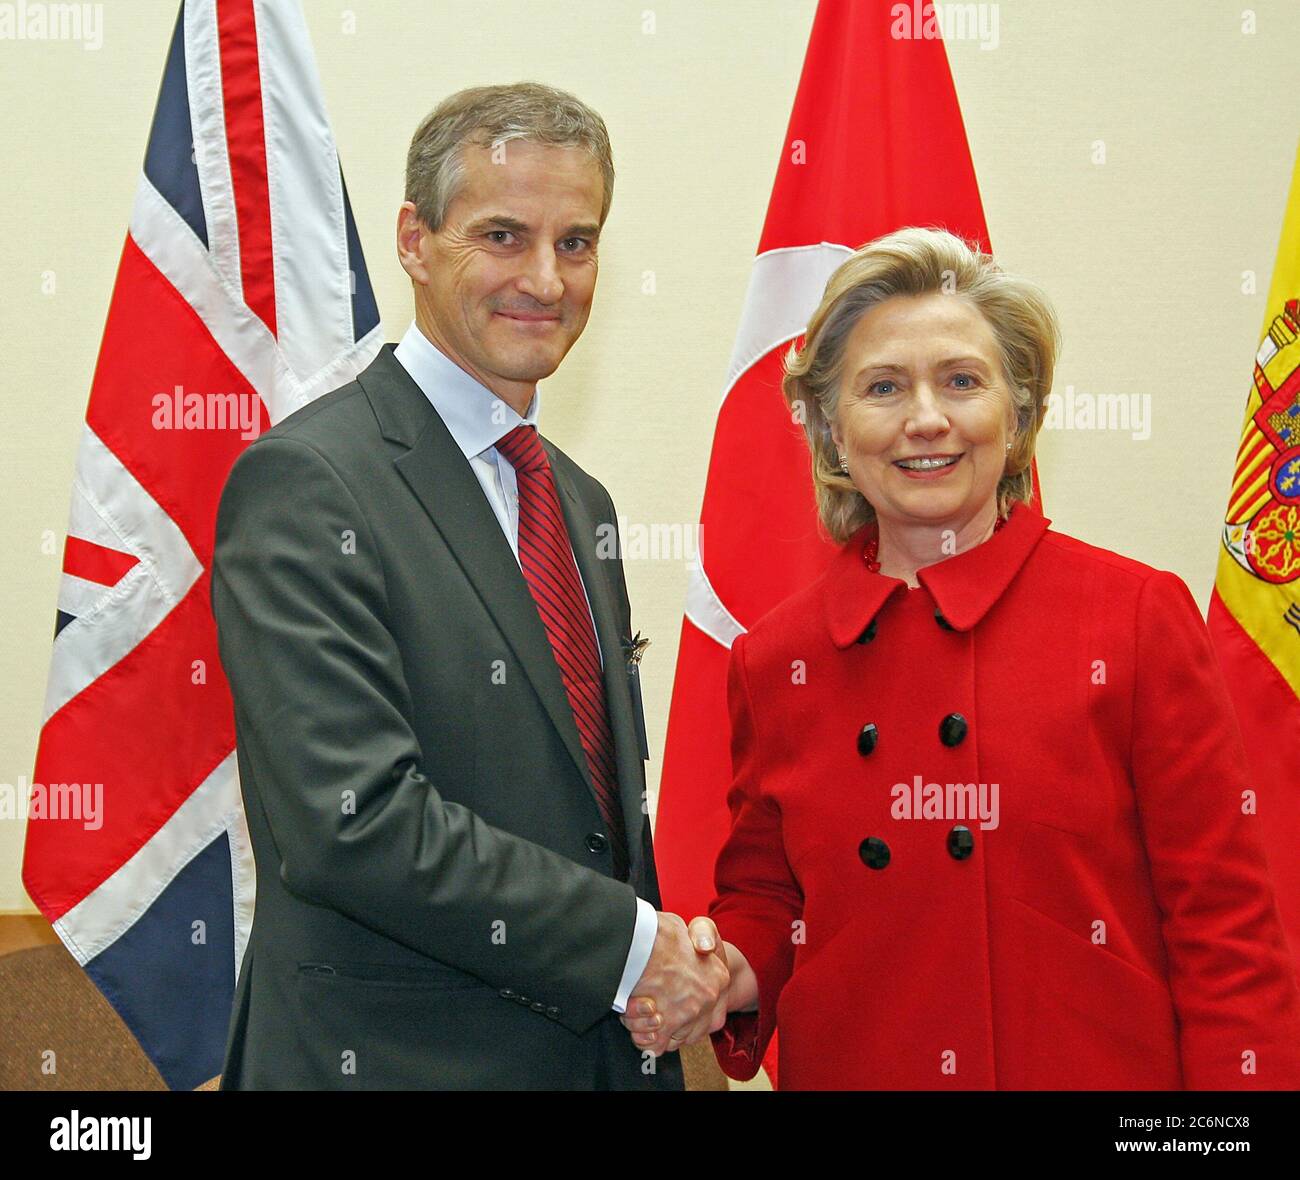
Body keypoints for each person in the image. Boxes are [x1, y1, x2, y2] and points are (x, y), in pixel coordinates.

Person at [620, 226, 1300, 1089]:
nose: (927, 418)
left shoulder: (1131, 617)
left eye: (962, 382)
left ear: (1019, 418)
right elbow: (771, 902)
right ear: (831, 431)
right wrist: (720, 970)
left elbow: (1227, 934)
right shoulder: (777, 658)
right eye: (883, 387)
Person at [211, 82, 725, 1090]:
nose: (545, 276)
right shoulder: (308, 482)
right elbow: (352, 821)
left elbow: (592, 818)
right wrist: (631, 946)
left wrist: (666, 975)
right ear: (413, 238)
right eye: (502, 234)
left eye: (576, 242)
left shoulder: (582, 503)